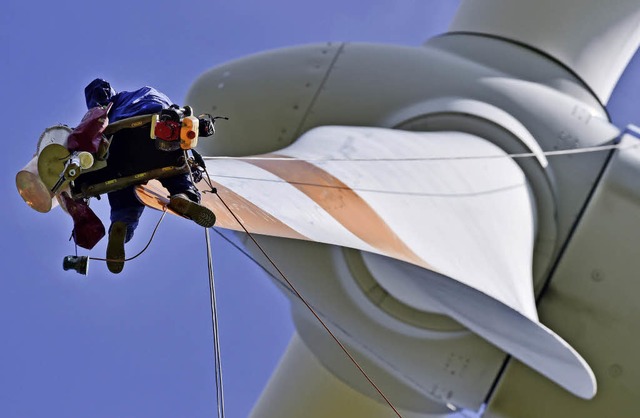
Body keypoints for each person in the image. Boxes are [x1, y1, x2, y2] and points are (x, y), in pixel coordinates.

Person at [82, 78, 215, 274]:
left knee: (122, 189)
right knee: (177, 169)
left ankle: (121, 225)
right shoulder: (149, 95)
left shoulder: (108, 108)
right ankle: (182, 196)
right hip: (160, 130)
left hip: (119, 143)